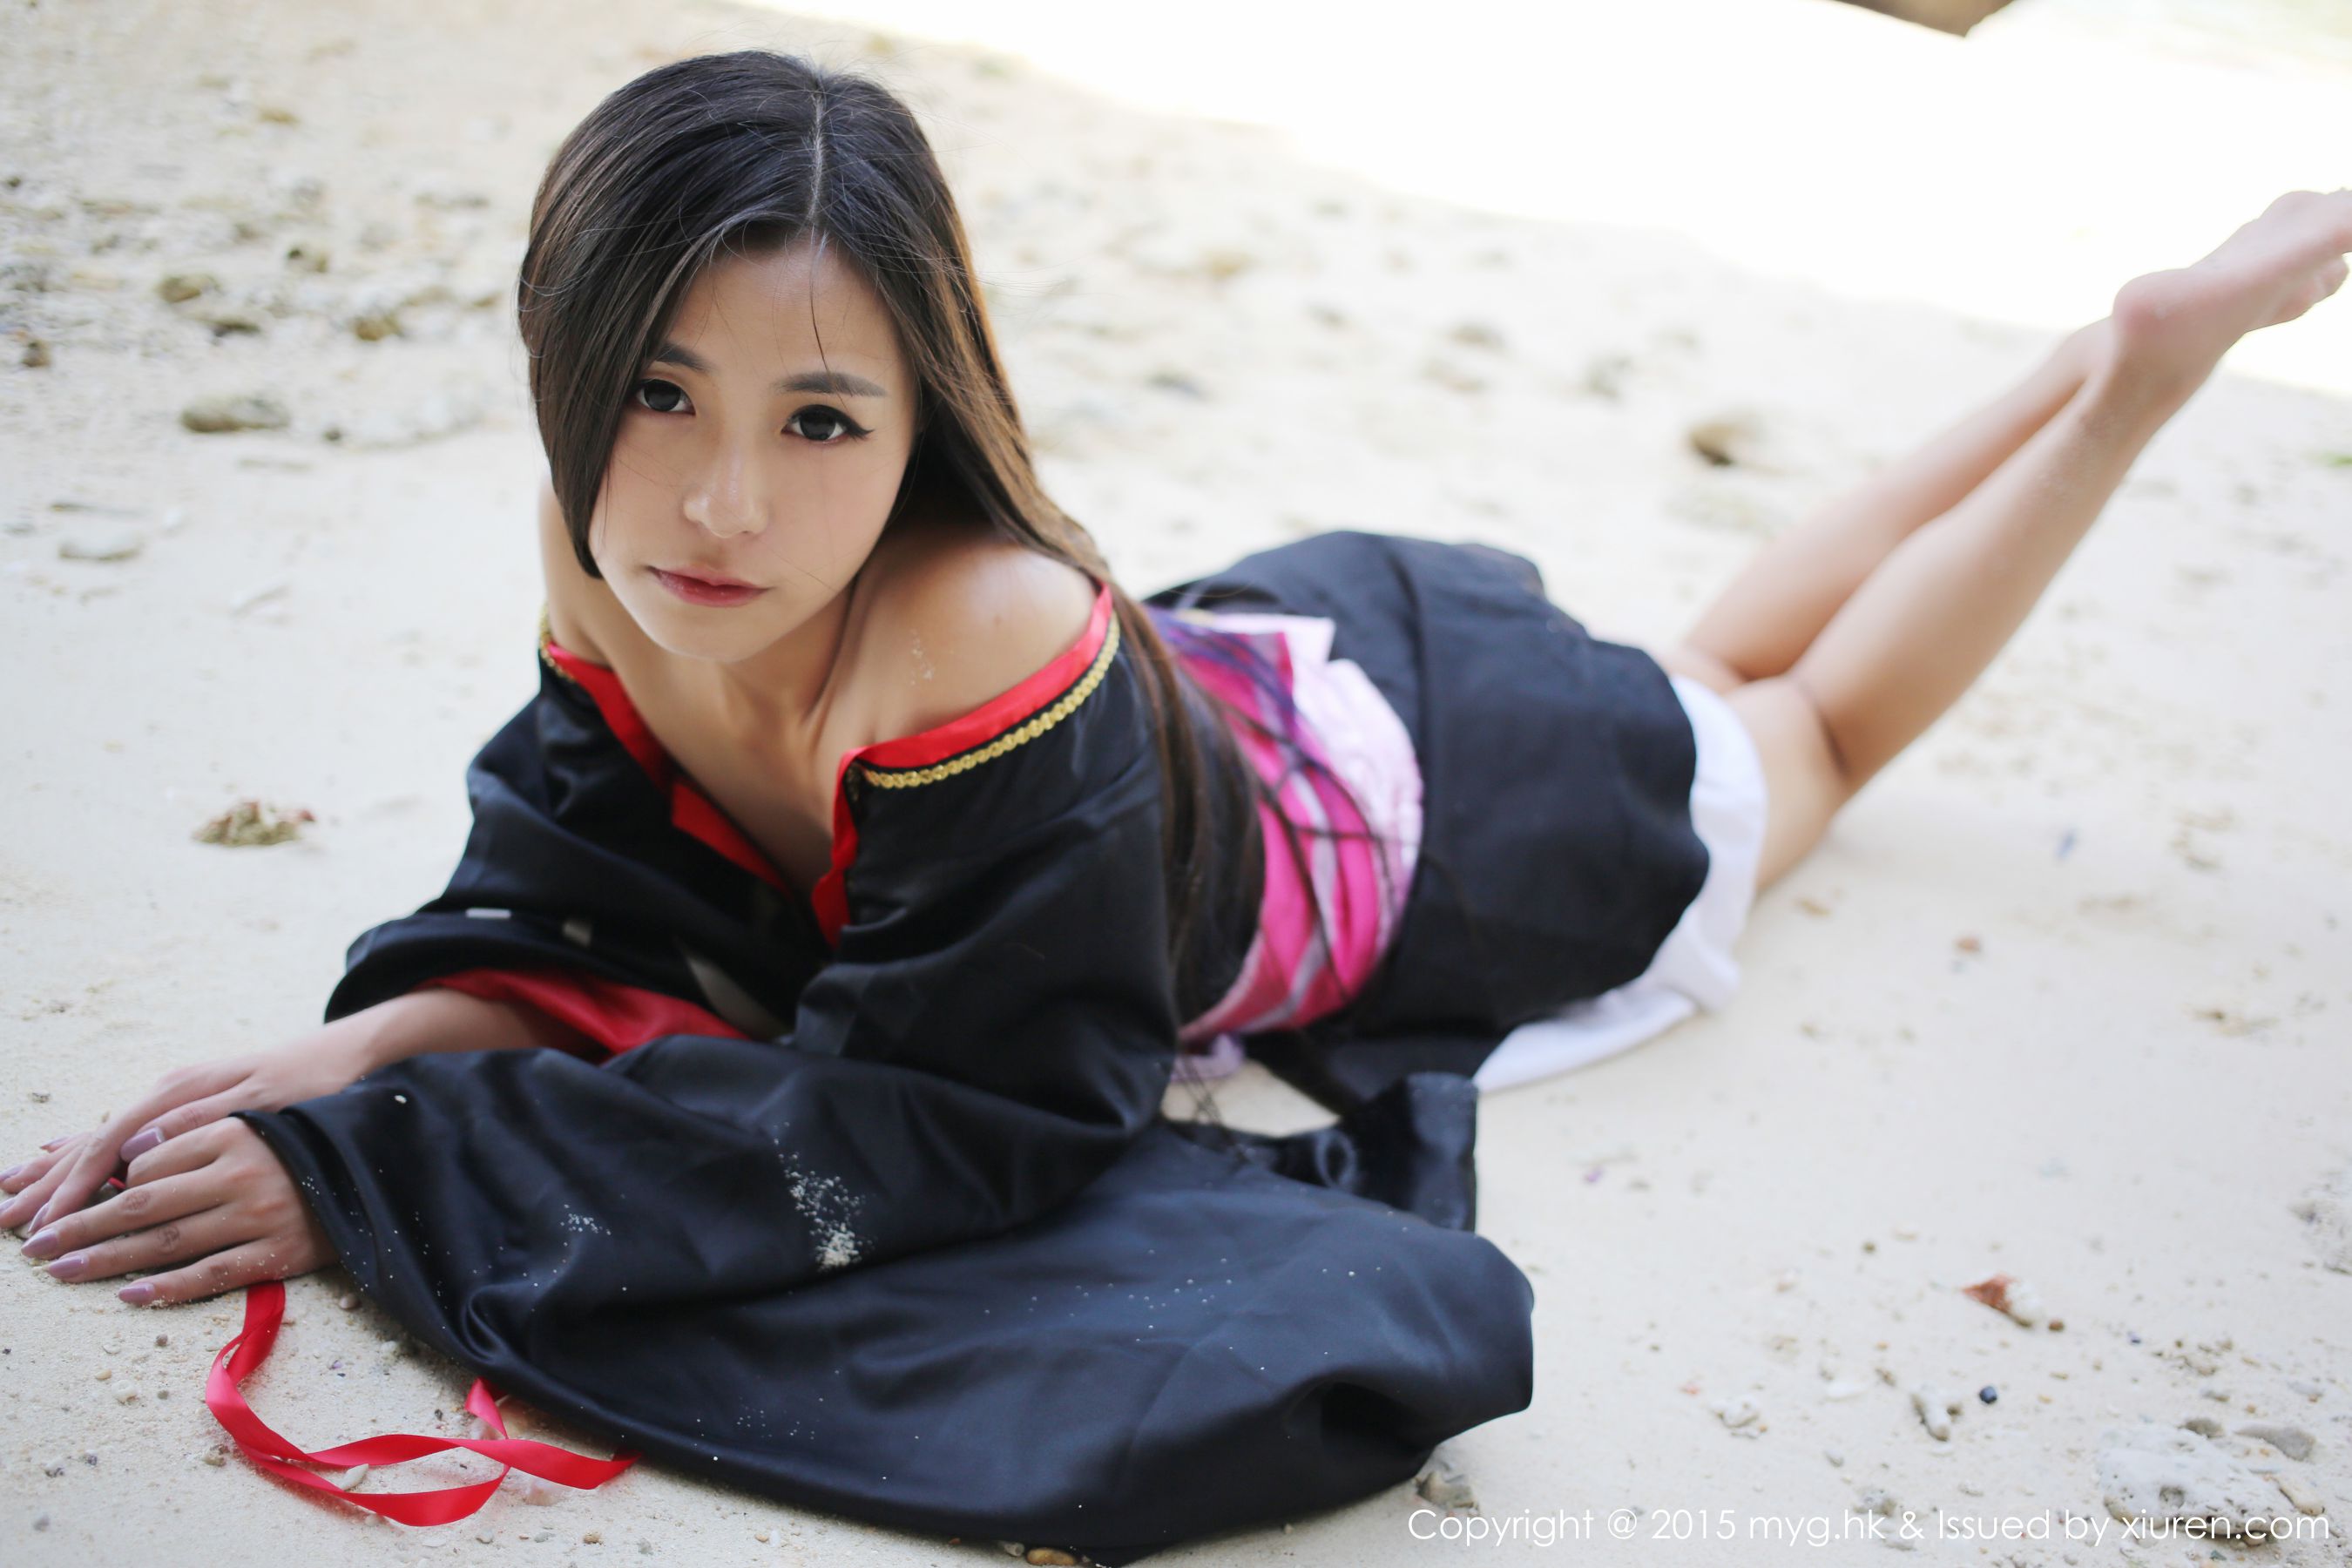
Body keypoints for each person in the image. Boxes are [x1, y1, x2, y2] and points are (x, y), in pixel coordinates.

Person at [4, 47, 2347, 1560]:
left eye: (820, 422)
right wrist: (355, 1053)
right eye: (656, 392)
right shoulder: (591, 537)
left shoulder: (983, 633)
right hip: (1272, 681)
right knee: (1722, 673)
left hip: (1448, 813)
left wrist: (411, 1161)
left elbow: (953, 1116)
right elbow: (598, 888)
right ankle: (2097, 343)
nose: (717, 503)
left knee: (1796, 732)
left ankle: (2138, 378)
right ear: (563, 353)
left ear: (925, 418)